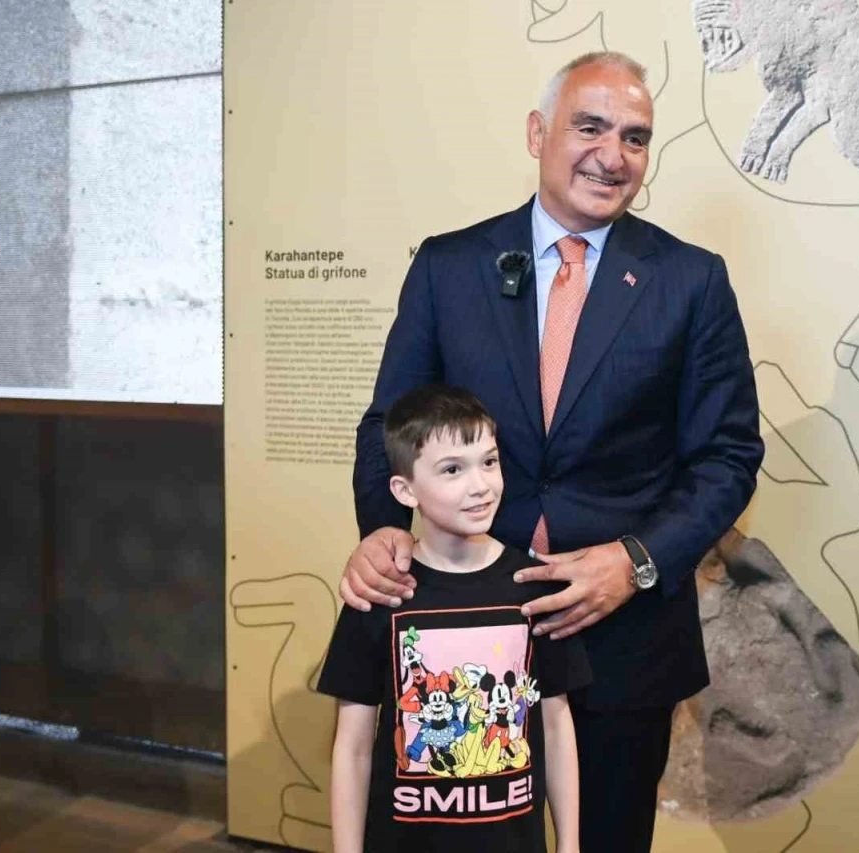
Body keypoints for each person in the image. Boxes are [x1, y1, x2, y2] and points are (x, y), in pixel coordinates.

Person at [342, 51, 764, 852]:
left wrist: (635, 561)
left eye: (635, 137)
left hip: (621, 642)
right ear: (539, 133)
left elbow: (728, 456)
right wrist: (384, 531)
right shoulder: (448, 267)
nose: (613, 155)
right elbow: (388, 426)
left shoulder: (691, 281)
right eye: (590, 127)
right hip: (459, 627)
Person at [318, 383, 591, 853]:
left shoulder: (536, 586)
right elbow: (352, 747)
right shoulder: (381, 593)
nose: (480, 485)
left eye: (489, 461)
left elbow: (556, 724)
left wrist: (569, 844)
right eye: (452, 469)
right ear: (405, 490)